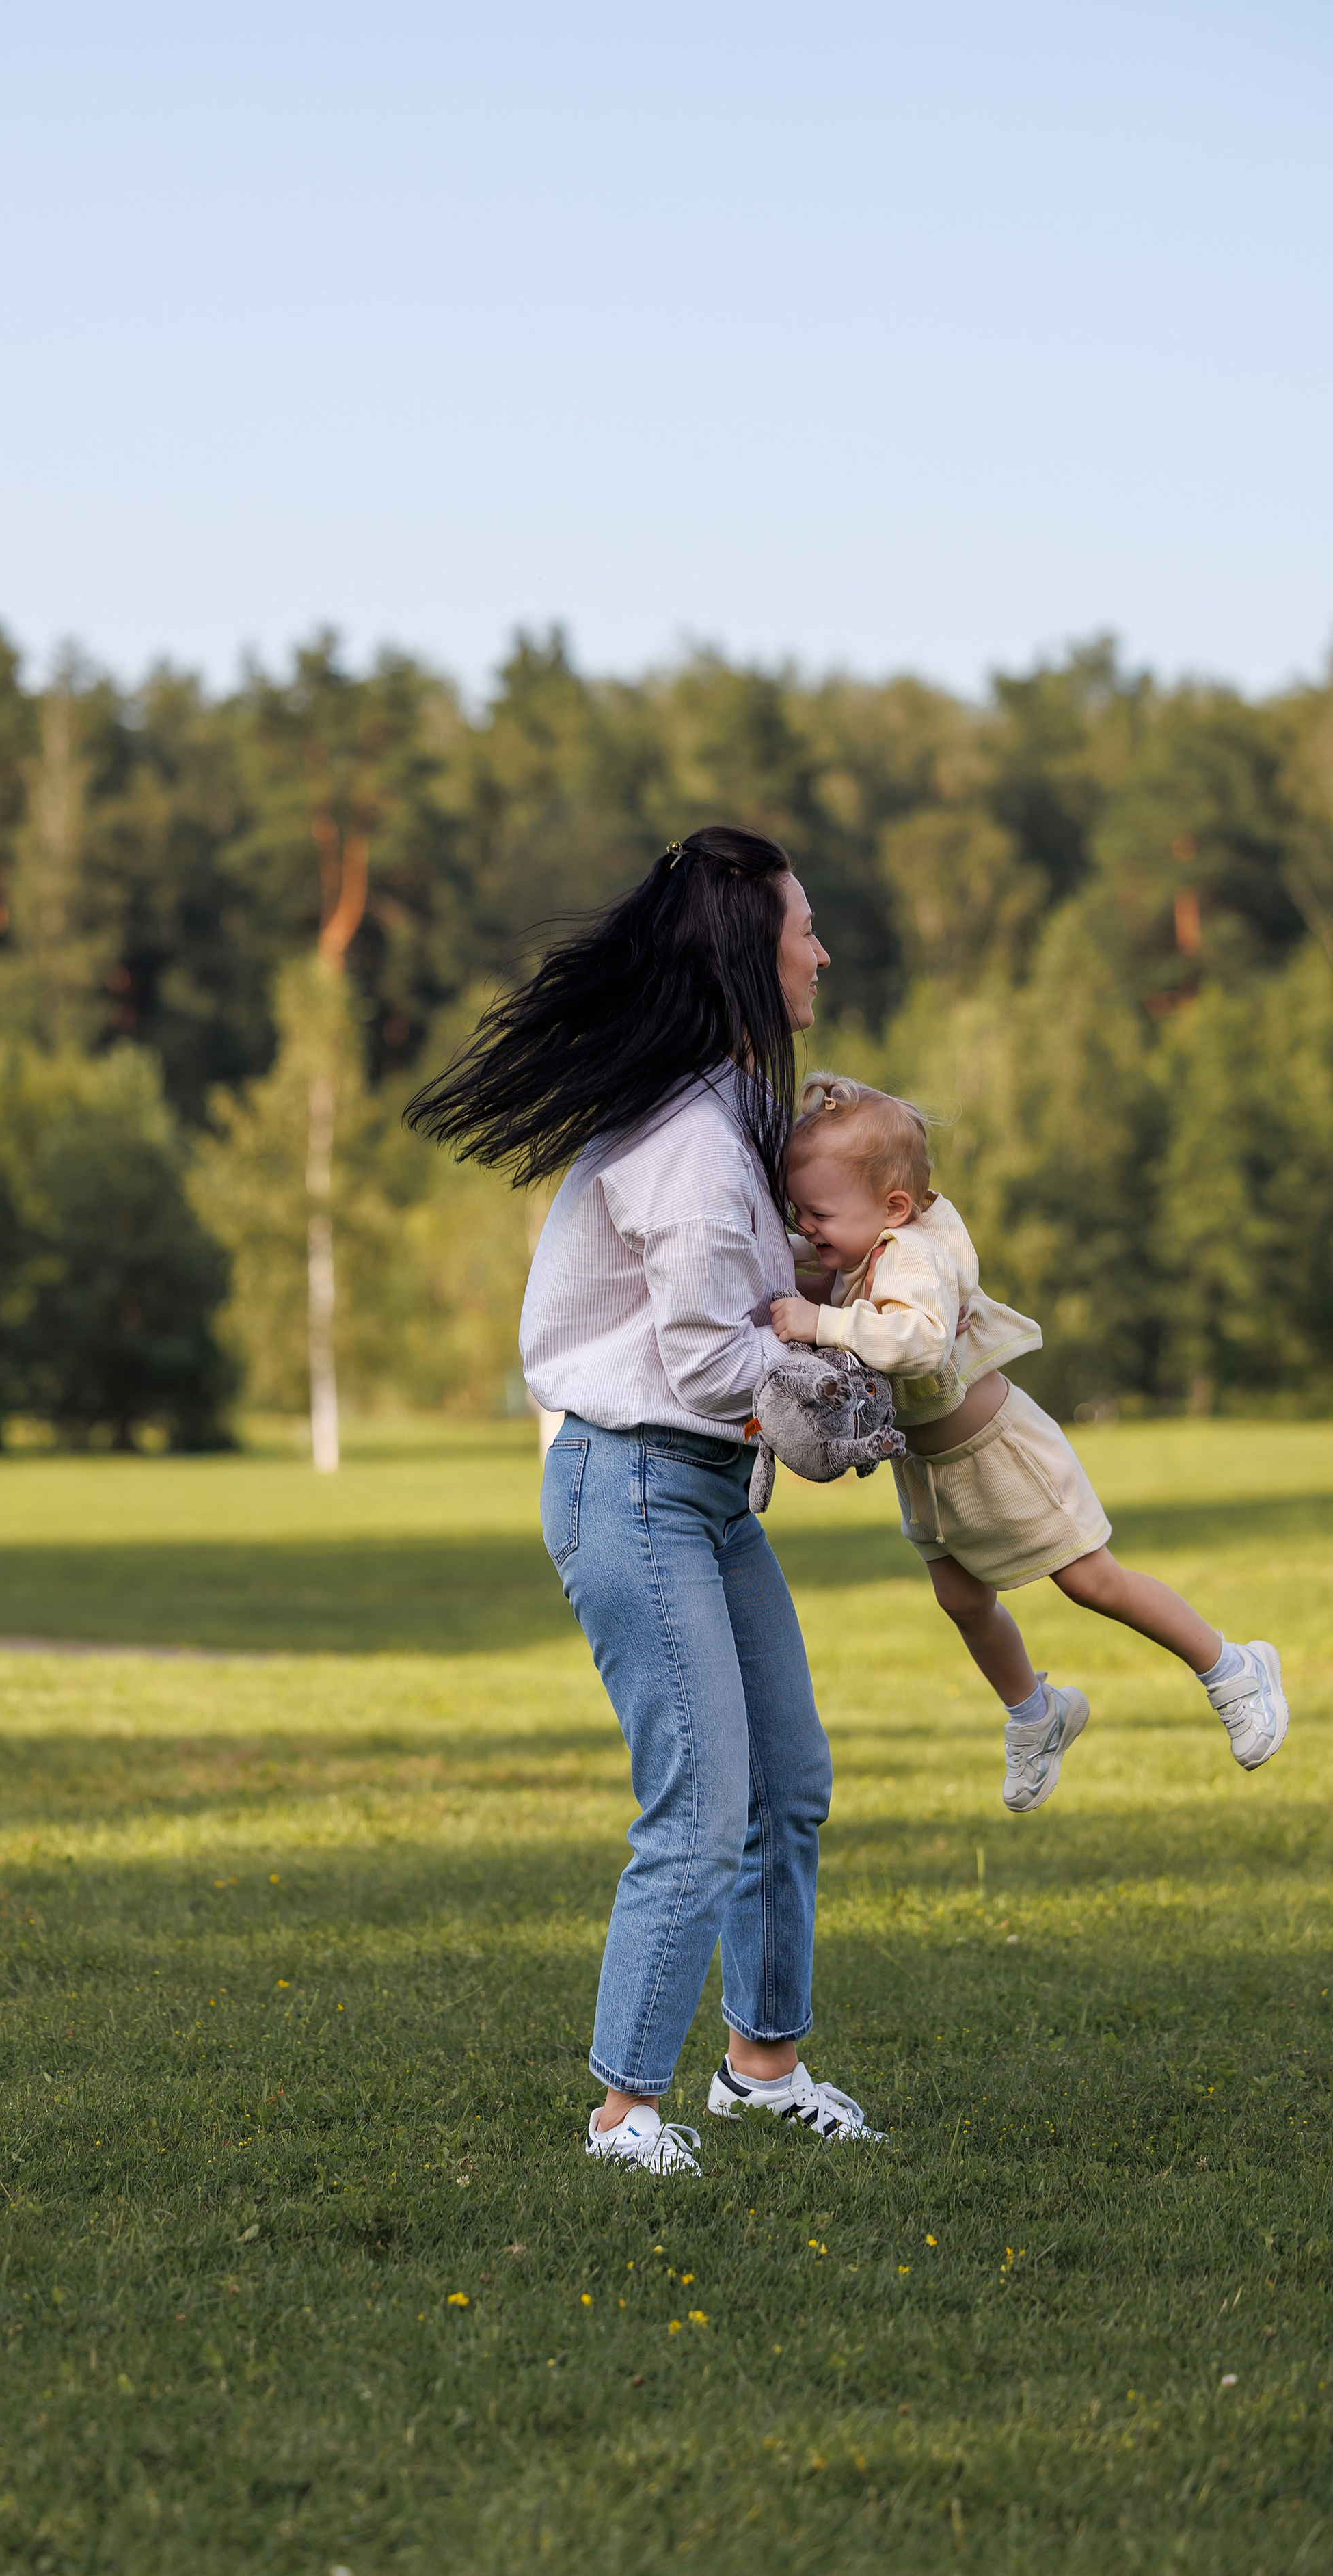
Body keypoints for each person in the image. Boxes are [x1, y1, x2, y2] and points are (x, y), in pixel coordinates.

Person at [407, 827, 883, 2175]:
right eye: (804, 927)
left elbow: (748, 1314)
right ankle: (623, 2113)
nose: (821, 951)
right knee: (699, 1801)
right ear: (752, 948)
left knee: (786, 1785)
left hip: (703, 1495)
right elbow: (706, 1355)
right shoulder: (688, 1139)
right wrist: (853, 1405)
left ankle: (760, 2070)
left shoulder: (727, 1113)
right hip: (629, 1485)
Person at [769, 1074, 1288, 1811]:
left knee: (1091, 1581)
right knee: (962, 1601)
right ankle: (1036, 1715)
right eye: (799, 1212)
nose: (807, 1228)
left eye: (818, 1214)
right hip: (928, 1469)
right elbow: (822, 1276)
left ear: (891, 1209)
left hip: (999, 1452)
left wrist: (818, 1323)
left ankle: (1232, 1666)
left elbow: (914, 1344)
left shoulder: (914, 1256)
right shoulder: (859, 1252)